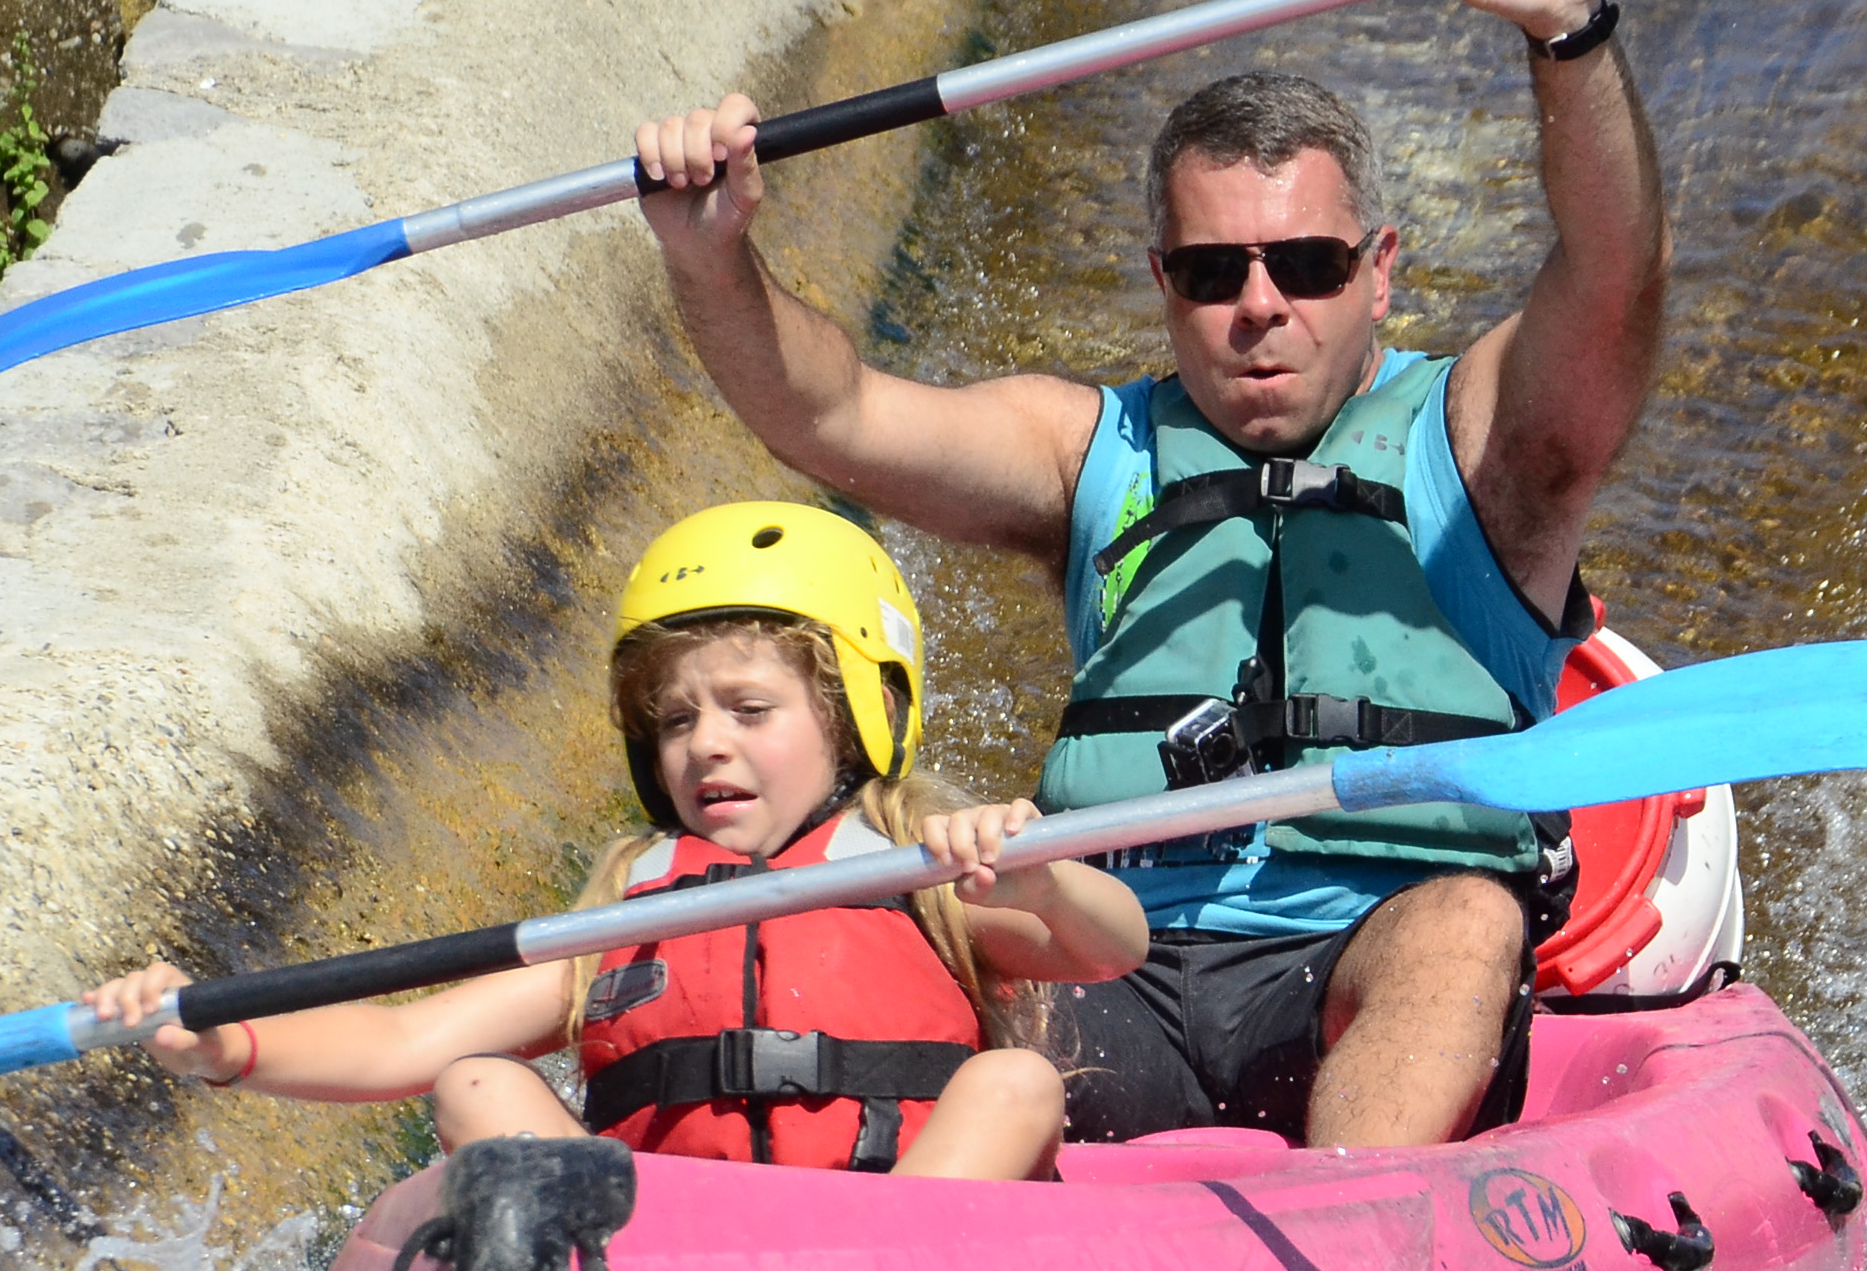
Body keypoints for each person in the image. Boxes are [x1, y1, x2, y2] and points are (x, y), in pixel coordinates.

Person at [630, 0, 1668, 1151]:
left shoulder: (1486, 443)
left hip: (1370, 952)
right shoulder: (1090, 453)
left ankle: (1349, 1251)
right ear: (1162, 280)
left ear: (1381, 268)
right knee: (902, 934)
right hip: (1109, 957)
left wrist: (1568, 31)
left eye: (1309, 265)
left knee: (1465, 919)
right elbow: (831, 416)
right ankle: (850, 1254)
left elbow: (1616, 273)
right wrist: (709, 256)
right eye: (1213, 270)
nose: (1260, 305)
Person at [83, 503, 1146, 1181]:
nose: (704, 747)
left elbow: (1115, 946)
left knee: (1017, 1087)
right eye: (676, 722)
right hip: (669, 1270)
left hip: (905, 1257)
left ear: (858, 712)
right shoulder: (630, 907)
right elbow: (407, 1046)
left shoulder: (922, 858)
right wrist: (225, 1042)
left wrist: (1042, 877)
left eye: (748, 709)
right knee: (475, 1085)